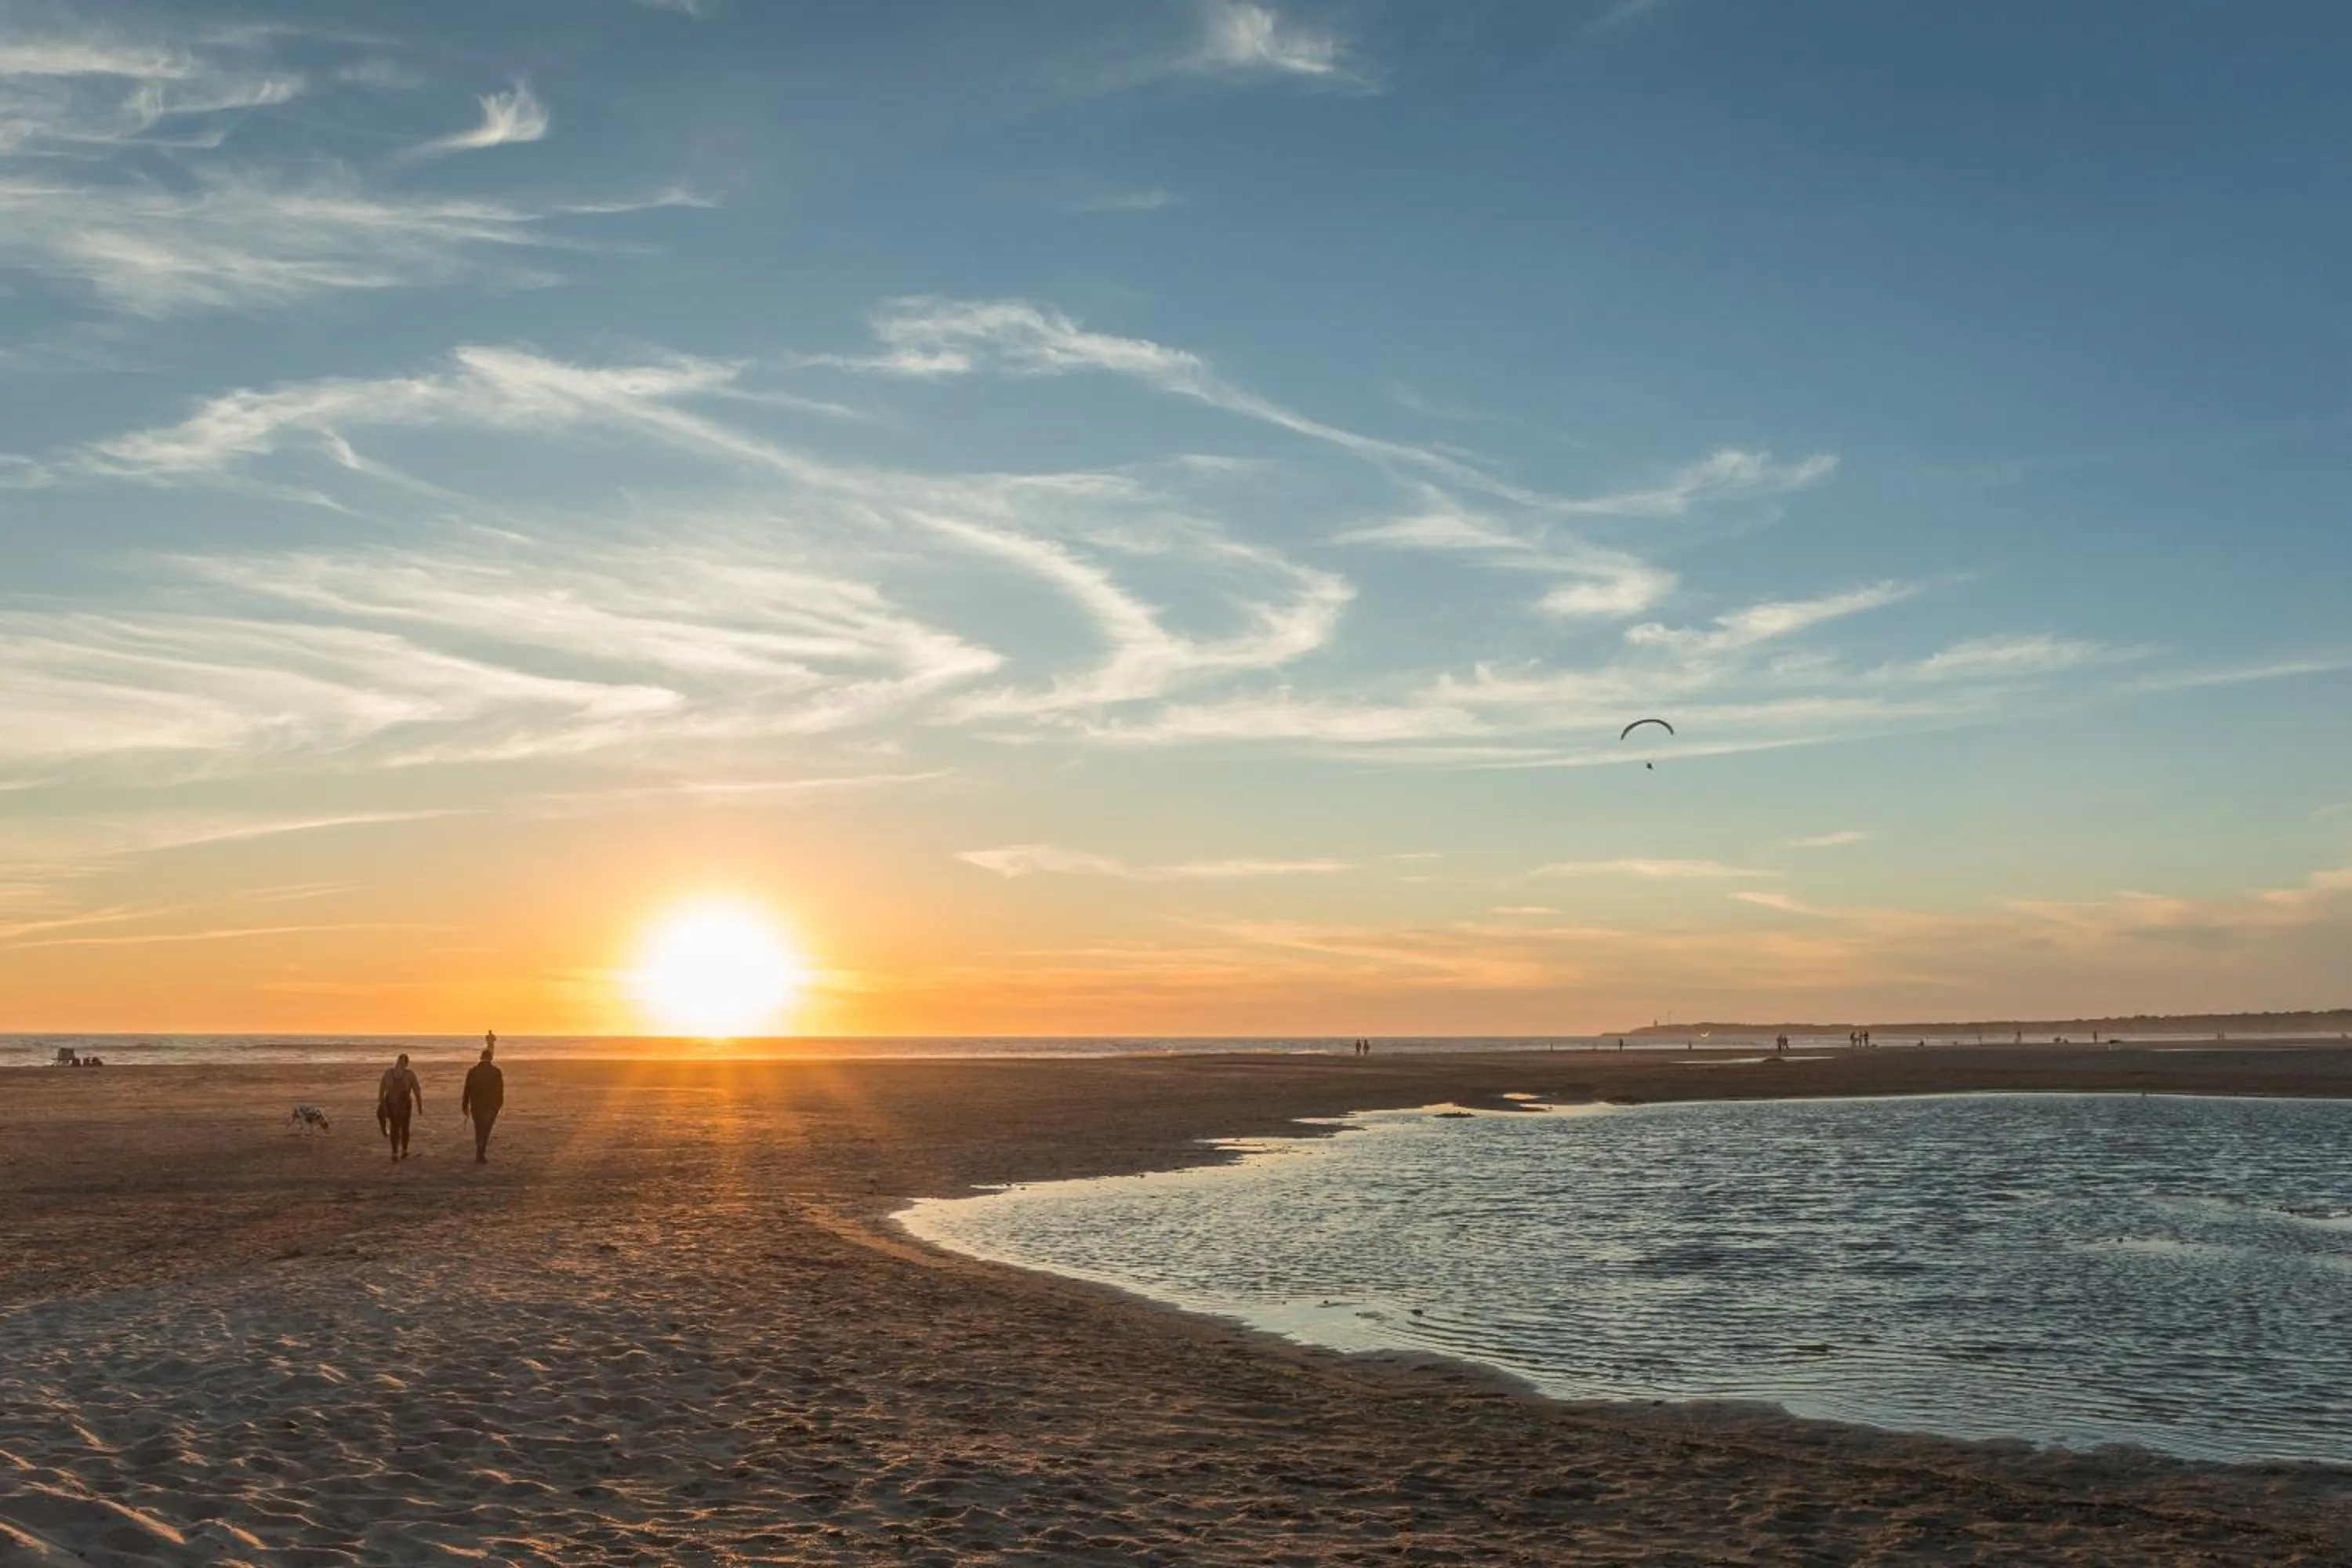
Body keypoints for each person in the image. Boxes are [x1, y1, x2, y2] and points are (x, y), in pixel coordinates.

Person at [460, 1047, 505, 1164]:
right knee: (486, 1129)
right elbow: (500, 1091)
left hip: (476, 1105)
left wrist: (465, 1105)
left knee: (478, 1128)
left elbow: (467, 1090)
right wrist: (499, 1105)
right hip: (490, 1106)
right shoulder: (496, 1072)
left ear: (481, 1058)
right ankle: (481, 1151)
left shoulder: (473, 1071)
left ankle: (479, 1151)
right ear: (491, 1058)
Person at [378, 1052, 423, 1162]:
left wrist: (383, 1105)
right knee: (404, 1128)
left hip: (392, 1105)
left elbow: (381, 1092)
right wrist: (420, 1106)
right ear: (407, 1063)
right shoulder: (409, 1075)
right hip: (402, 1106)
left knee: (395, 1128)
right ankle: (403, 1150)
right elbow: (417, 1092)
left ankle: (396, 1152)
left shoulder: (388, 1073)